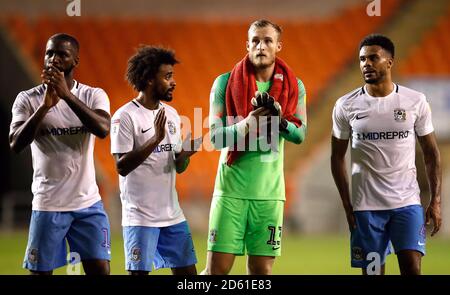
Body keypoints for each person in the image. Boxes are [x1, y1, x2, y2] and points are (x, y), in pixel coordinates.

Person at [331, 34, 442, 275]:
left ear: (389, 62)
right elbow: (336, 157)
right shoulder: (345, 105)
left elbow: (431, 153)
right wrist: (348, 205)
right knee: (373, 274)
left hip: (407, 204)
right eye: (362, 59)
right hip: (366, 208)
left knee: (412, 269)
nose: (366, 64)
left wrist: (435, 200)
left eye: (373, 58)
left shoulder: (415, 101)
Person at [203, 19, 307, 275]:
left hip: (269, 195)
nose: (261, 46)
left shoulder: (295, 86)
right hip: (230, 193)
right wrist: (248, 123)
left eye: (268, 40)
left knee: (261, 273)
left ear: (278, 46)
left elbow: (300, 134)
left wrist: (279, 121)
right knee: (216, 272)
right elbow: (215, 139)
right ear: (247, 45)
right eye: (256, 41)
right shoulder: (224, 83)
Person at [9, 33, 112, 275]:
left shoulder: (93, 95)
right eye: (49, 53)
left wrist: (66, 95)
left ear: (75, 61)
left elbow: (103, 129)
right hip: (48, 204)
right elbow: (15, 143)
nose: (53, 59)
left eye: (62, 54)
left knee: (100, 271)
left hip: (87, 204)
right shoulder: (27, 99)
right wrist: (45, 107)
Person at [110, 46, 201, 275]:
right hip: (140, 218)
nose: (173, 82)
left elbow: (178, 167)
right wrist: (155, 138)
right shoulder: (125, 117)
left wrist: (184, 155)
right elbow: (121, 167)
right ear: (150, 79)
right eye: (167, 76)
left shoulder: (170, 114)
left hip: (172, 216)